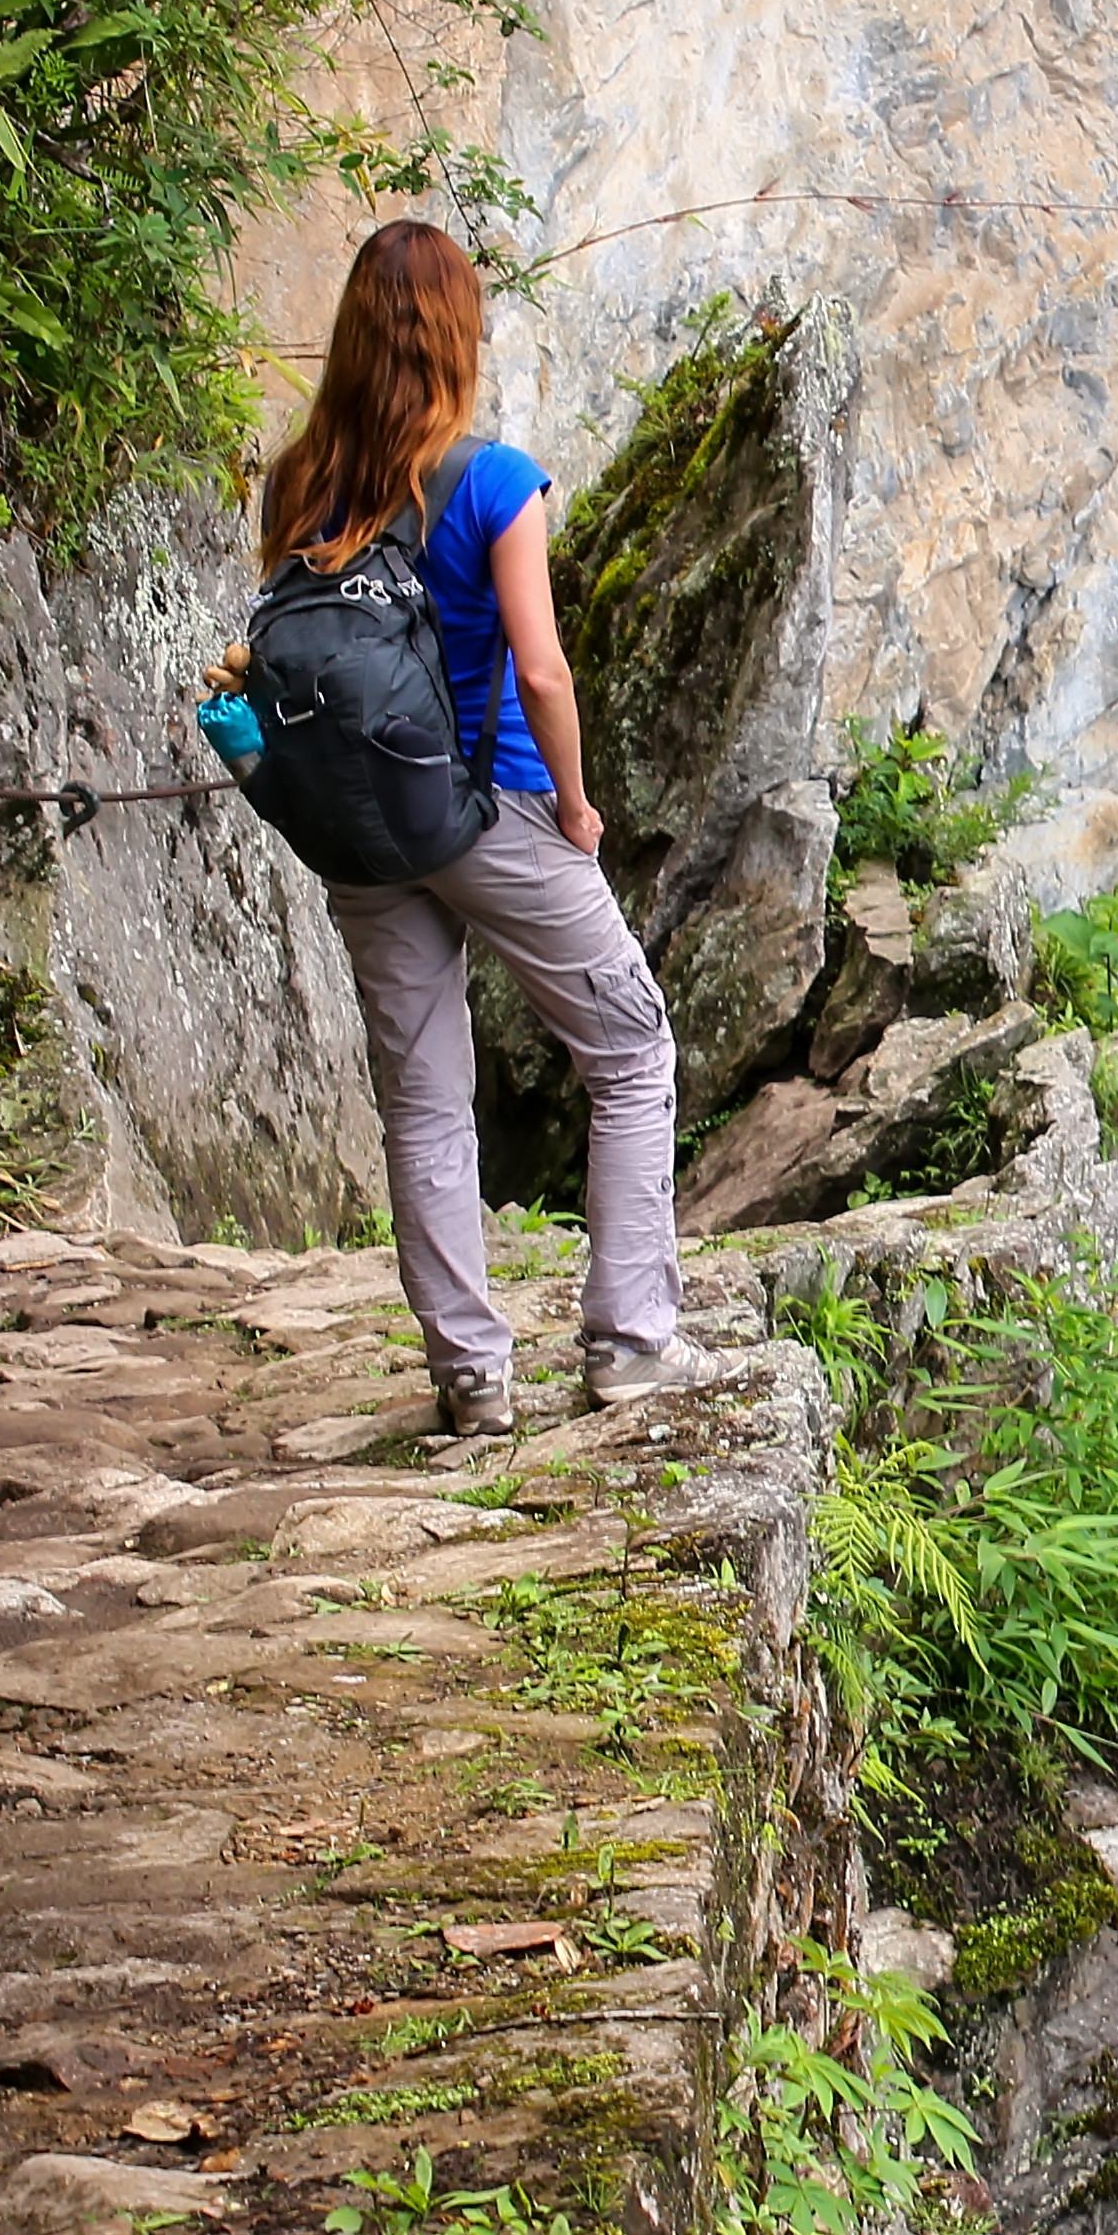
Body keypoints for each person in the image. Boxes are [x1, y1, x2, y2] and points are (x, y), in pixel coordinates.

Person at [255, 221, 720, 1435]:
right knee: (629, 1046)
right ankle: (629, 1339)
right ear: (459, 338)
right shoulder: (495, 481)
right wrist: (572, 805)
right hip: (489, 809)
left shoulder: (299, 482)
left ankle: (470, 1378)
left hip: (362, 830)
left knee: (423, 1097)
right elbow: (545, 669)